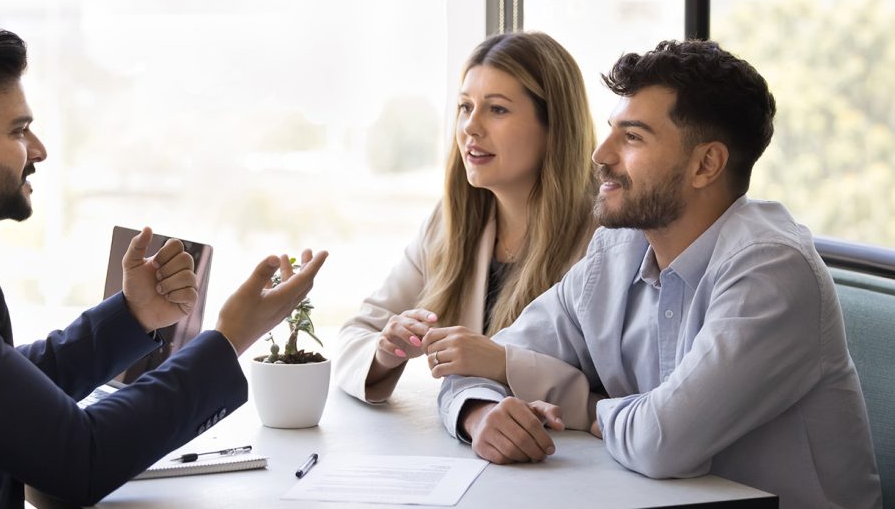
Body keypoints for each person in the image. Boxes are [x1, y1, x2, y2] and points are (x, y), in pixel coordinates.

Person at [0, 25, 327, 508]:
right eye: (18, 131)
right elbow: (79, 459)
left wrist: (135, 315)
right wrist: (230, 338)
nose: (39, 150)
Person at [438, 39, 882, 507]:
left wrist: (579, 404)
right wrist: (481, 413)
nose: (599, 155)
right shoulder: (617, 249)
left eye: (632, 138)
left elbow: (662, 442)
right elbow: (481, 361)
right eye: (612, 131)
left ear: (706, 164)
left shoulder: (772, 272)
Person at [335, 31, 597, 407]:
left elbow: (618, 392)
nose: (471, 127)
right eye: (465, 107)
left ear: (554, 125)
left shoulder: (604, 240)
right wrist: (383, 351)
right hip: (467, 450)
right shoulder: (448, 222)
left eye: (497, 109)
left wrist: (505, 365)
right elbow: (355, 334)